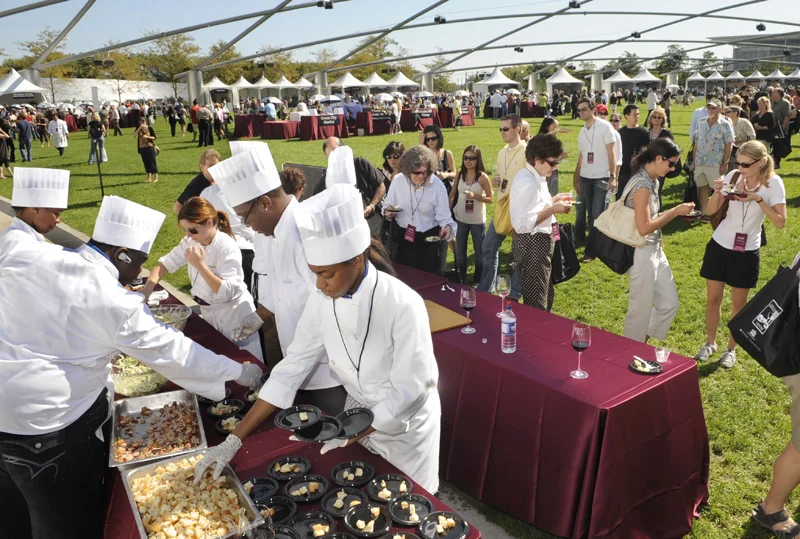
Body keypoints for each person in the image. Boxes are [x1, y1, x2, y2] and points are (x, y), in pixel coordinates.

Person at [0, 195, 262, 539]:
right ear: (121, 254)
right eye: (138, 261)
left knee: (13, 512)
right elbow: (176, 353)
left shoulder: (37, 254)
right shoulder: (110, 298)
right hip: (47, 425)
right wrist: (239, 373)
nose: (139, 271)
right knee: (62, 523)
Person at [195, 183, 442, 495]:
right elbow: (292, 367)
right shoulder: (322, 298)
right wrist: (234, 440)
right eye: (315, 273)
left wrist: (349, 432)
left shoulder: (402, 304)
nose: (319, 284)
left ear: (356, 260)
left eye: (326, 274)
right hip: (357, 414)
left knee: (407, 505)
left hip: (404, 430)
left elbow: (412, 389)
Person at [211, 143, 346, 413]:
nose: (248, 226)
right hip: (297, 361)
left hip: (325, 369)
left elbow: (328, 310)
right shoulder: (275, 233)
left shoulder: (303, 233)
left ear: (265, 203)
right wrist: (259, 316)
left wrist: (290, 368)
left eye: (245, 218)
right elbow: (281, 287)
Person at [693, 140, 787, 367]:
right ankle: (710, 343)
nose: (741, 168)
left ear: (761, 162)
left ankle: (730, 349)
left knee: (738, 305)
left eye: (746, 164)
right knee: (713, 299)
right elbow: (711, 210)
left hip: (746, 251)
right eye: (739, 163)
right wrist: (718, 192)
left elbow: (780, 222)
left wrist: (757, 199)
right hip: (720, 244)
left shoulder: (773, 183)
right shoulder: (734, 176)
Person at [142, 197, 263, 361]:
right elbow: (163, 265)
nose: (189, 236)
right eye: (185, 230)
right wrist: (144, 293)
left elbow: (227, 292)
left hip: (233, 315)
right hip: (209, 312)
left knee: (246, 364)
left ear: (210, 222)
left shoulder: (226, 247)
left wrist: (199, 265)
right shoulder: (190, 241)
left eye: (193, 230)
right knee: (220, 363)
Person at [623, 138, 695, 342]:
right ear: (657, 158)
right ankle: (630, 353)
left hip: (654, 249)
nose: (672, 169)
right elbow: (644, 227)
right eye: (671, 163)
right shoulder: (643, 185)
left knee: (669, 303)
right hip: (641, 251)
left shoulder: (652, 179)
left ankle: (640, 344)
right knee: (640, 311)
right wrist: (674, 211)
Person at [175, 148, 257, 296]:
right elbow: (178, 207)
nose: (214, 171)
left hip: (239, 244)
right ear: (202, 167)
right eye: (210, 167)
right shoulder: (201, 188)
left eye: (217, 166)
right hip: (239, 245)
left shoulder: (217, 189)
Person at [510, 134, 573, 311]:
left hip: (539, 243)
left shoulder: (535, 176)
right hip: (533, 245)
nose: (555, 167)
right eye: (552, 163)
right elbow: (522, 224)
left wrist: (553, 201)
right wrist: (553, 209)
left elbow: (534, 207)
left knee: (545, 294)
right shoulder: (529, 183)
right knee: (536, 303)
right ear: (537, 159)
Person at [382, 145, 455, 274]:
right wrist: (389, 212)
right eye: (416, 173)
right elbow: (387, 206)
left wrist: (447, 227)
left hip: (429, 240)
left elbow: (444, 217)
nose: (421, 176)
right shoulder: (398, 181)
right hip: (404, 239)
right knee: (406, 278)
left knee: (429, 278)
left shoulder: (437, 186)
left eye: (424, 172)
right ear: (407, 170)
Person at [478, 114, 525, 299]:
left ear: (517, 129)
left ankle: (515, 292)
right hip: (501, 207)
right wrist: (498, 181)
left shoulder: (527, 152)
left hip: (520, 209)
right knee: (488, 247)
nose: (502, 132)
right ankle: (486, 288)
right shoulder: (501, 153)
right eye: (500, 129)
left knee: (521, 253)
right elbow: (504, 178)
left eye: (506, 129)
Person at [573, 97, 617, 262]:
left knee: (597, 215)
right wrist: (576, 178)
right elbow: (582, 156)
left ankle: (591, 251)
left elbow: (612, 153)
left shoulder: (605, 127)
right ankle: (598, 245)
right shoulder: (582, 131)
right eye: (579, 110)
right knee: (591, 214)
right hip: (586, 177)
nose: (581, 112)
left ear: (593, 110)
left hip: (602, 177)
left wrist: (613, 177)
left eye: (584, 109)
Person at [0, 168, 69, 257]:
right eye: (56, 213)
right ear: (35, 209)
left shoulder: (13, 236)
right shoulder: (21, 245)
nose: (58, 220)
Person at [449, 145, 492, 285]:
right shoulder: (460, 175)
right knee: (460, 252)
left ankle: (477, 280)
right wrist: (448, 211)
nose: (468, 161)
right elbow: (453, 194)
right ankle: (461, 278)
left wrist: (476, 196)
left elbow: (490, 199)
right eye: (465, 158)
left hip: (477, 220)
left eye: (472, 158)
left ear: (478, 159)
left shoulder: (483, 178)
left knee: (480, 253)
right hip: (461, 218)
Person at [691, 98, 734, 216]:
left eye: (713, 108)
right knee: (702, 187)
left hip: (715, 163)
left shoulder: (725, 124)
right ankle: (704, 212)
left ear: (720, 109)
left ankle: (718, 213)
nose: (710, 110)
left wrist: (725, 163)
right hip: (700, 162)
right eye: (708, 108)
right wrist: (694, 162)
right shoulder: (701, 122)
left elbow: (729, 144)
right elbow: (696, 143)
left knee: (718, 190)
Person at [537, 117, 570, 196]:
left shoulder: (553, 140)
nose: (557, 129)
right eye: (555, 126)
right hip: (545, 173)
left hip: (553, 172)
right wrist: (560, 157)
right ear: (547, 126)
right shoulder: (541, 140)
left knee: (552, 195)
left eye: (558, 126)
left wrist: (560, 158)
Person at [133, 117, 158, 183]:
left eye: (142, 122)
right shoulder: (139, 129)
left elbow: (154, 137)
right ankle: (148, 177)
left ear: (145, 121)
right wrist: (139, 128)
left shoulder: (150, 128)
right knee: (146, 163)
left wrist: (147, 137)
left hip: (149, 147)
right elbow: (134, 135)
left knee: (152, 162)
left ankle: (156, 177)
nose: (141, 123)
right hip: (142, 148)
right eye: (140, 122)